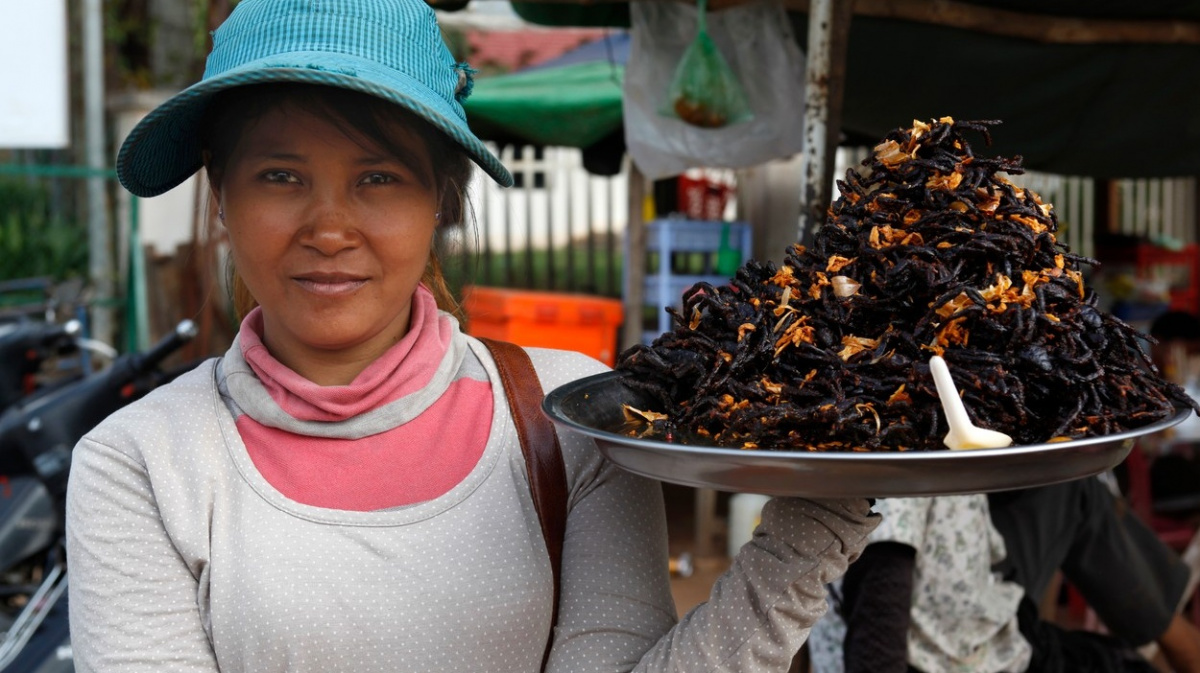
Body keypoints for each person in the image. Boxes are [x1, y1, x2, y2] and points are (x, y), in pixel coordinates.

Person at [63, 1, 879, 671]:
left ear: (443, 202)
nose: (329, 226)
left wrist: (803, 541)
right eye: (280, 175)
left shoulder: (569, 419)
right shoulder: (139, 461)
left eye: (377, 177)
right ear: (222, 199)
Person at [806, 479, 1200, 673]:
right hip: (961, 660)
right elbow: (877, 639)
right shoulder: (904, 479)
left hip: (980, 624)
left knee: (1074, 488)